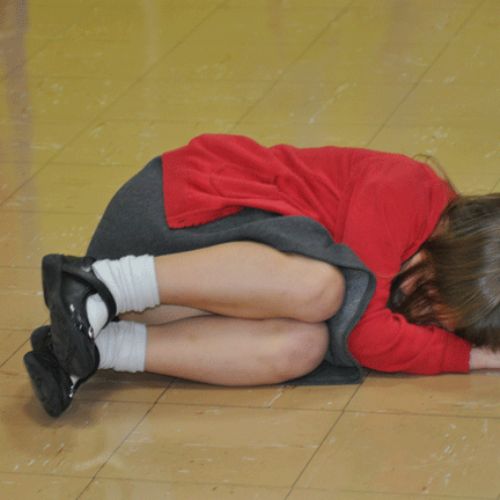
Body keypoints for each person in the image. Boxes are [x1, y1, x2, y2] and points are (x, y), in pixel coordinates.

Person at [23, 134, 500, 418]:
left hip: (183, 294)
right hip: (171, 218)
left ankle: (93, 347)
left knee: (304, 347)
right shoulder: (405, 191)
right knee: (321, 290)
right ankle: (101, 283)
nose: (430, 317)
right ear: (455, 257)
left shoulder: (438, 260)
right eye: (434, 297)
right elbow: (364, 336)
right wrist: (469, 357)